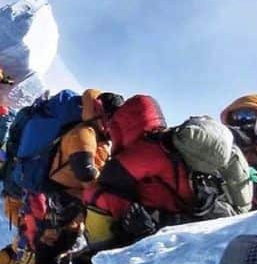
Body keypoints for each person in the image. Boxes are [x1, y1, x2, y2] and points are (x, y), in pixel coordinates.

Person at [82, 94, 194, 250]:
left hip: (167, 221)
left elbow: (109, 177)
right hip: (174, 214)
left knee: (96, 194)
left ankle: (98, 255)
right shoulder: (160, 142)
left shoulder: (146, 149)